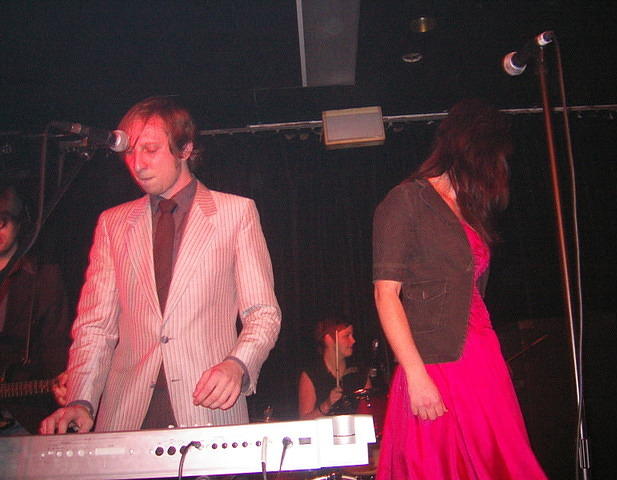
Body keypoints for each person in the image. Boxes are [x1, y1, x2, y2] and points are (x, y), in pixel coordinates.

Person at [40, 96, 281, 434]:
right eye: (130, 152)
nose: (138, 164)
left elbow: (263, 313)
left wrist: (238, 364)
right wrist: (81, 400)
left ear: (185, 149)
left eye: (150, 150)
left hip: (207, 408)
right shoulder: (113, 224)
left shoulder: (236, 213)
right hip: (125, 412)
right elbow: (96, 326)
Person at [372, 99, 547, 479]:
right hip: (437, 360)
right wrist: (416, 376)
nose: (497, 170)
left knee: (501, 460)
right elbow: (386, 294)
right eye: (493, 158)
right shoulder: (408, 199)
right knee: (441, 464)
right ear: (471, 150)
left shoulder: (468, 209)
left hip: (483, 352)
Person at [0, 185, 70, 435]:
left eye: (2, 222)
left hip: (21, 416)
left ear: (20, 224)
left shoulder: (43, 278)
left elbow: (56, 349)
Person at [298, 317, 370, 419]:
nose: (353, 341)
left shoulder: (359, 372)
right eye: (346, 336)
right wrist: (327, 404)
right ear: (328, 339)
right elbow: (304, 420)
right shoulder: (312, 374)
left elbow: (370, 413)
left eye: (352, 335)